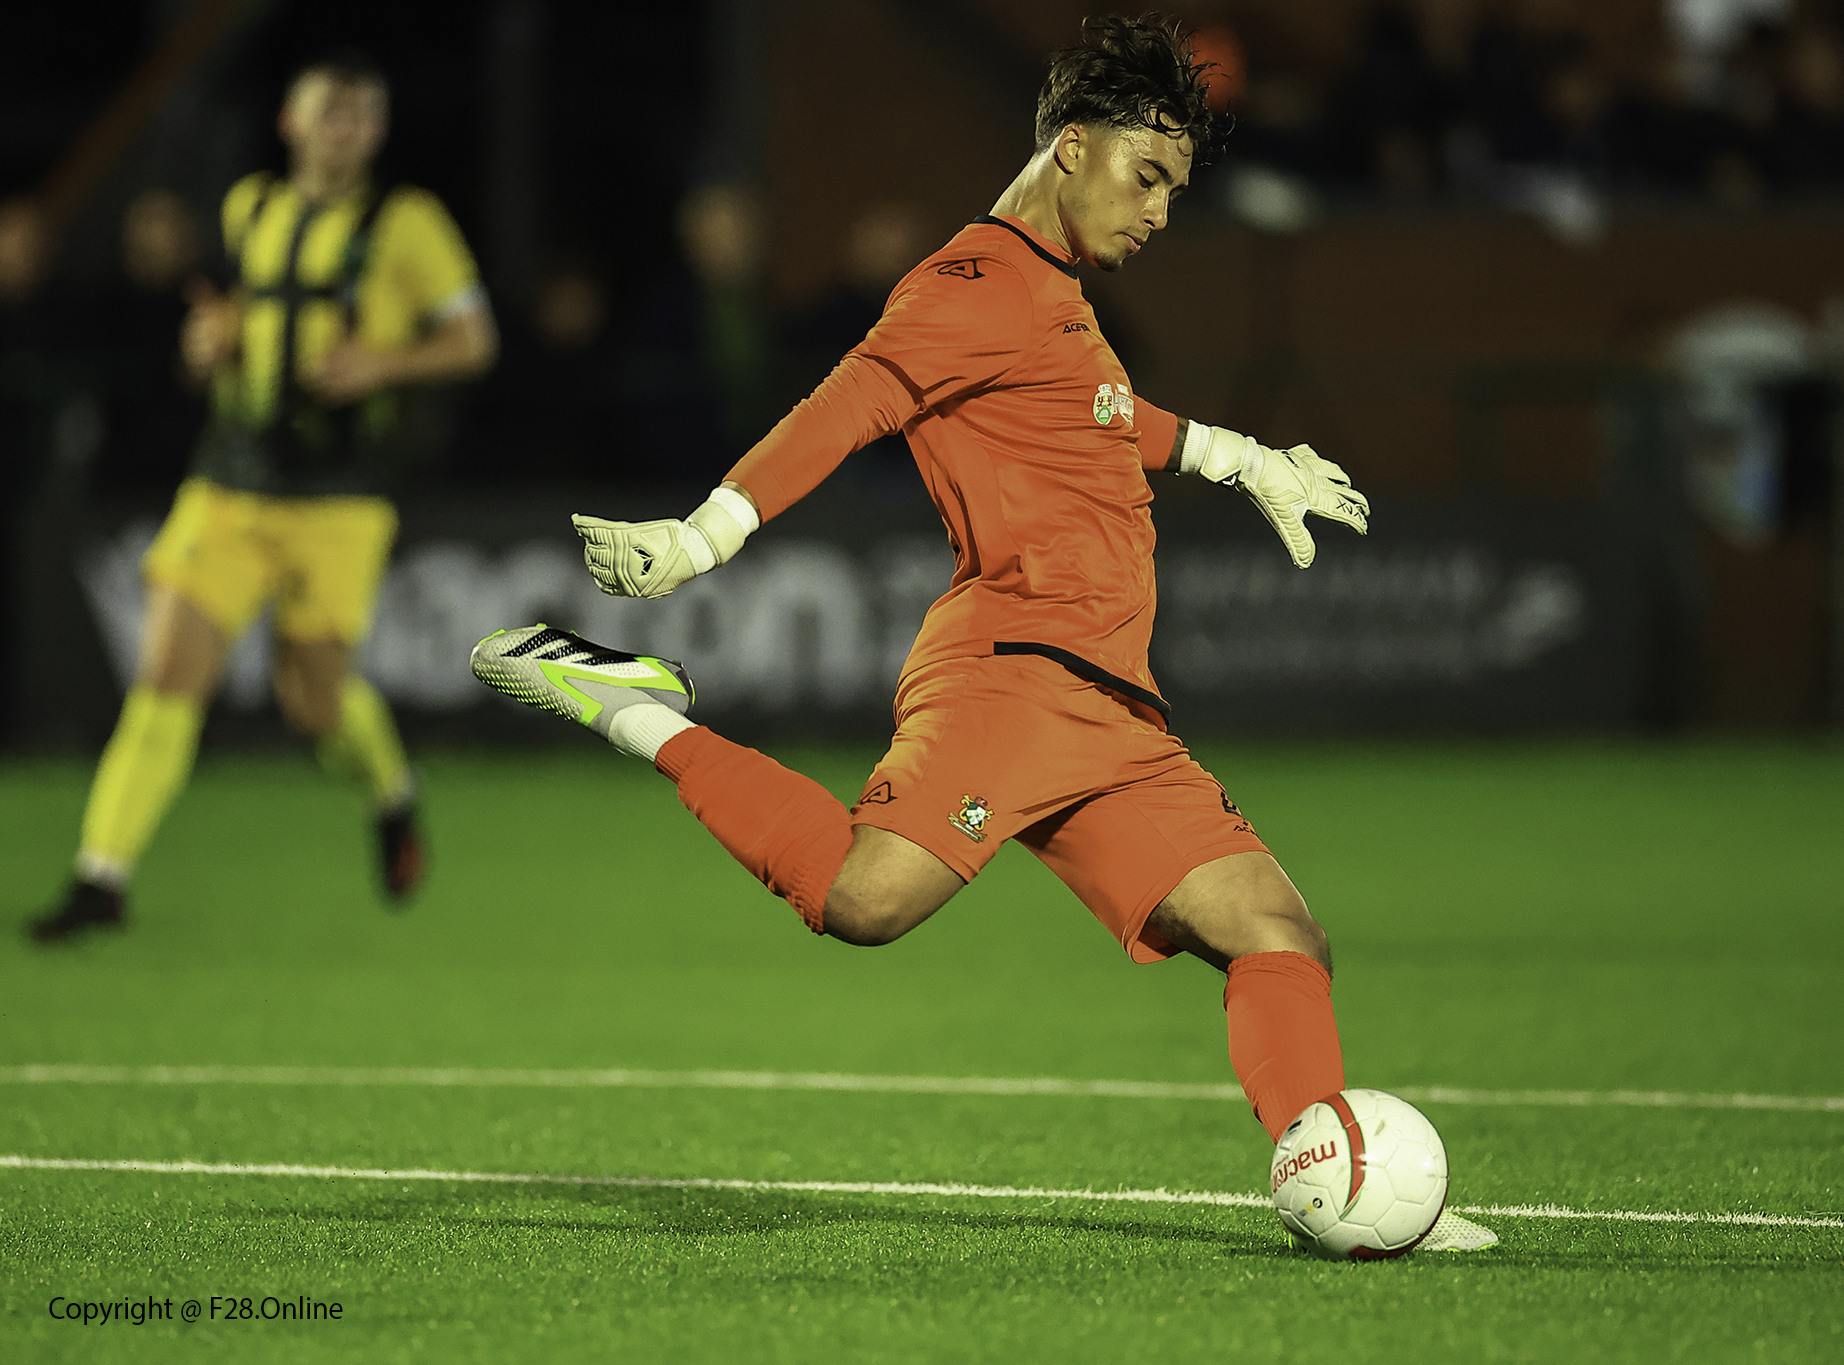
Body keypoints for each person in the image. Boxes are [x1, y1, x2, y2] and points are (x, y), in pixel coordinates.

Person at [470, 16, 1369, 1145]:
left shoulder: (1049, 295)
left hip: (1110, 703)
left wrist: (1234, 457)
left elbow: (1092, 417)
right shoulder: (970, 284)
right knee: (863, 899)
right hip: (1016, 674)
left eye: (1174, 193)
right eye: (1148, 179)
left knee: (1277, 932)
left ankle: (1325, 1169)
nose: (1157, 214)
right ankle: (638, 711)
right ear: (1073, 146)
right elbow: (848, 404)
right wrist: (704, 536)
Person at [29, 50, 498, 942]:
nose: (344, 129)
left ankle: (393, 796)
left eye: (361, 115)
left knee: (314, 702)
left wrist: (382, 364)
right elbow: (235, 329)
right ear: (291, 123)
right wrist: (206, 348)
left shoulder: (408, 223)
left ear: (379, 131)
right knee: (166, 674)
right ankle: (103, 876)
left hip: (340, 498)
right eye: (330, 111)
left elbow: (475, 340)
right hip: (232, 484)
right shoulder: (253, 209)